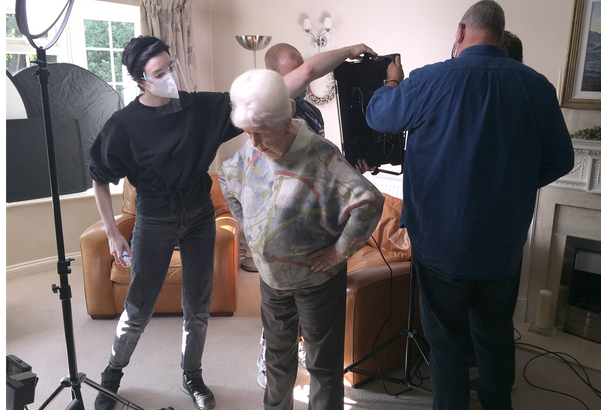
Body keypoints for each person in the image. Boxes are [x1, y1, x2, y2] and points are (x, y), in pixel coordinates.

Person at [363, 0, 574, 410]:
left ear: (461, 32)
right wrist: (513, 189)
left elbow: (378, 115)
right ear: (500, 33)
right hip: (503, 245)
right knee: (495, 336)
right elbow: (561, 159)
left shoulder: (431, 79)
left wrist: (391, 82)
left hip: (441, 242)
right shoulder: (537, 86)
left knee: (446, 344)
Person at [87, 36, 240, 410]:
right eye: (159, 72)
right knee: (138, 308)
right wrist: (112, 234)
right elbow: (99, 177)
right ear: (141, 80)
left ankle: (193, 375)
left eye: (171, 66)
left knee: (198, 306)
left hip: (200, 214)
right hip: (155, 218)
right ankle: (112, 374)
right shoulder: (124, 124)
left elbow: (260, 96)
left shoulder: (200, 107)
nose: (170, 75)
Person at [218, 69, 385, 410]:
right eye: (249, 134)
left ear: (285, 120)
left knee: (322, 367)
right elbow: (226, 178)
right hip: (271, 281)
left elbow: (368, 201)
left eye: (261, 134)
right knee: (277, 361)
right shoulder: (253, 151)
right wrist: (253, 228)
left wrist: (339, 252)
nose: (254, 143)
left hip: (316, 281)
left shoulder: (321, 156)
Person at [252, 41, 380, 390]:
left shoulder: (312, 114)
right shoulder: (260, 116)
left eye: (301, 69)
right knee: (278, 319)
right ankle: (270, 358)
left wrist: (351, 173)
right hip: (280, 231)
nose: (303, 80)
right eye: (293, 73)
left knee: (315, 322)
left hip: (315, 228)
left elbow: (320, 172)